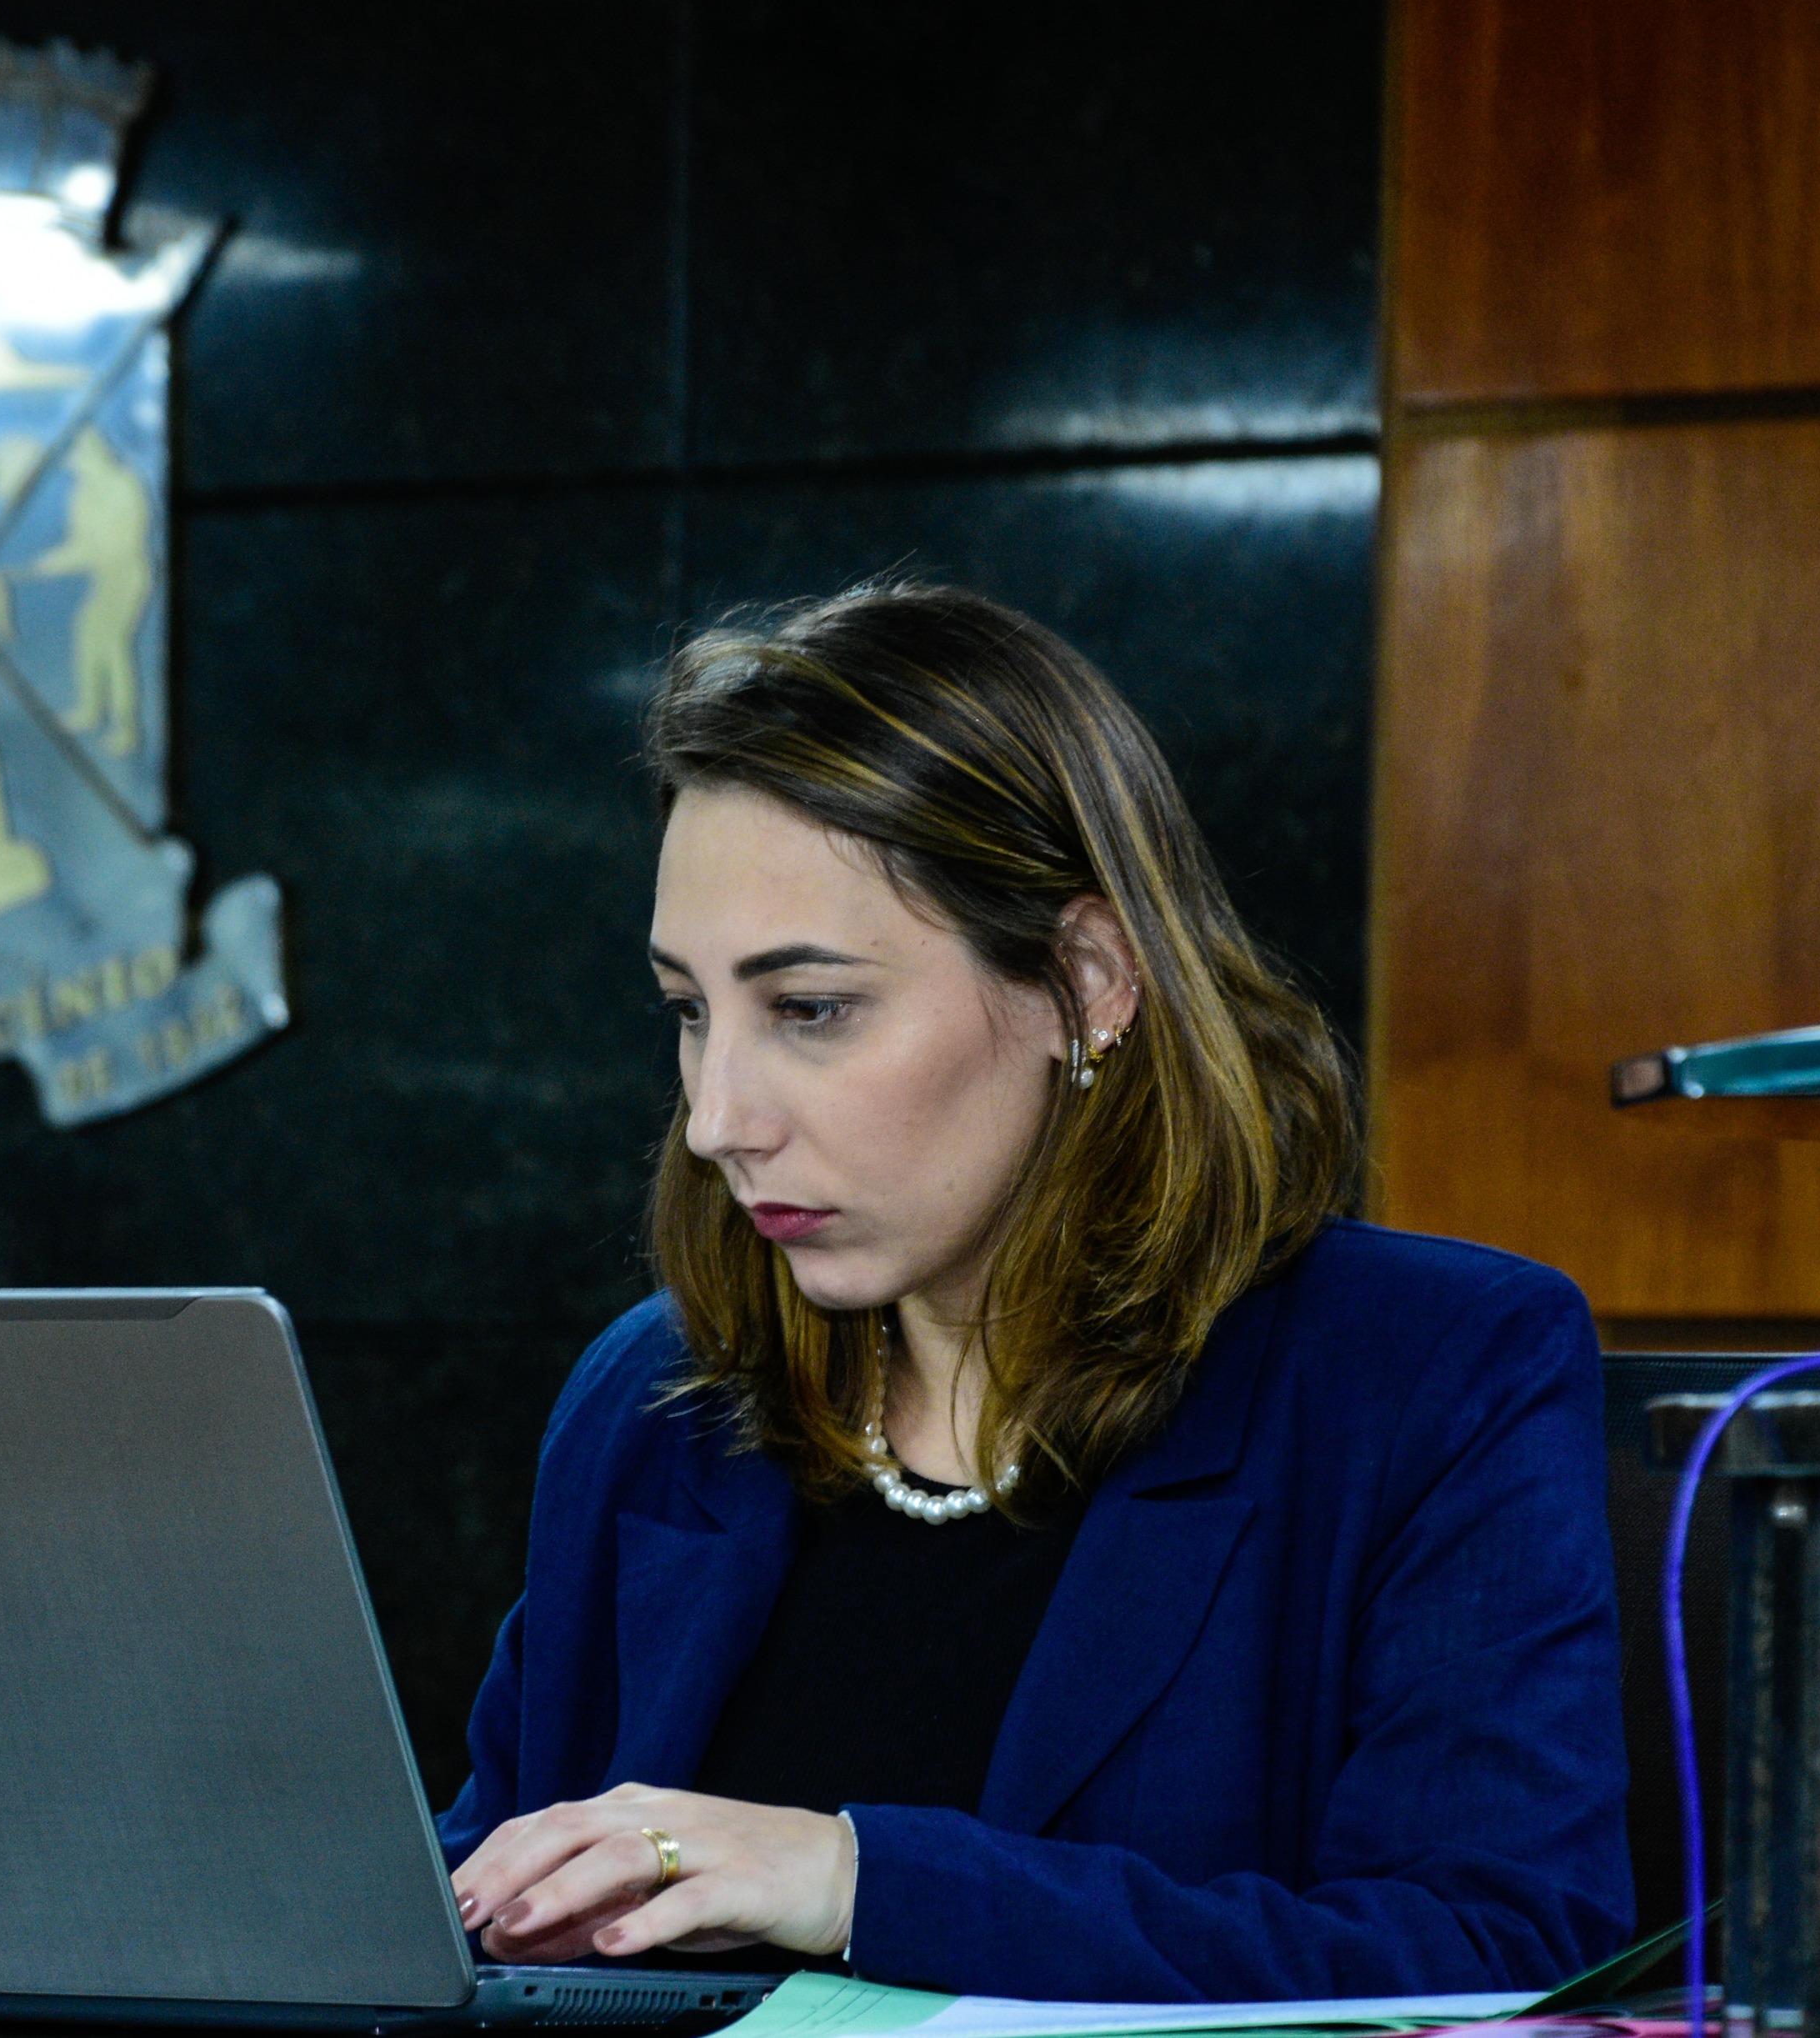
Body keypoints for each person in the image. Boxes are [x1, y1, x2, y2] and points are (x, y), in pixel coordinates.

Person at [434, 583, 1632, 2002]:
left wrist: (858, 1880)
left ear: (1087, 979)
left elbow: (1498, 1959)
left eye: (809, 1008)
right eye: (691, 1013)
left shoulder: (1432, 1372)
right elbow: (482, 1901)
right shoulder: (651, 1398)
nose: (717, 1119)